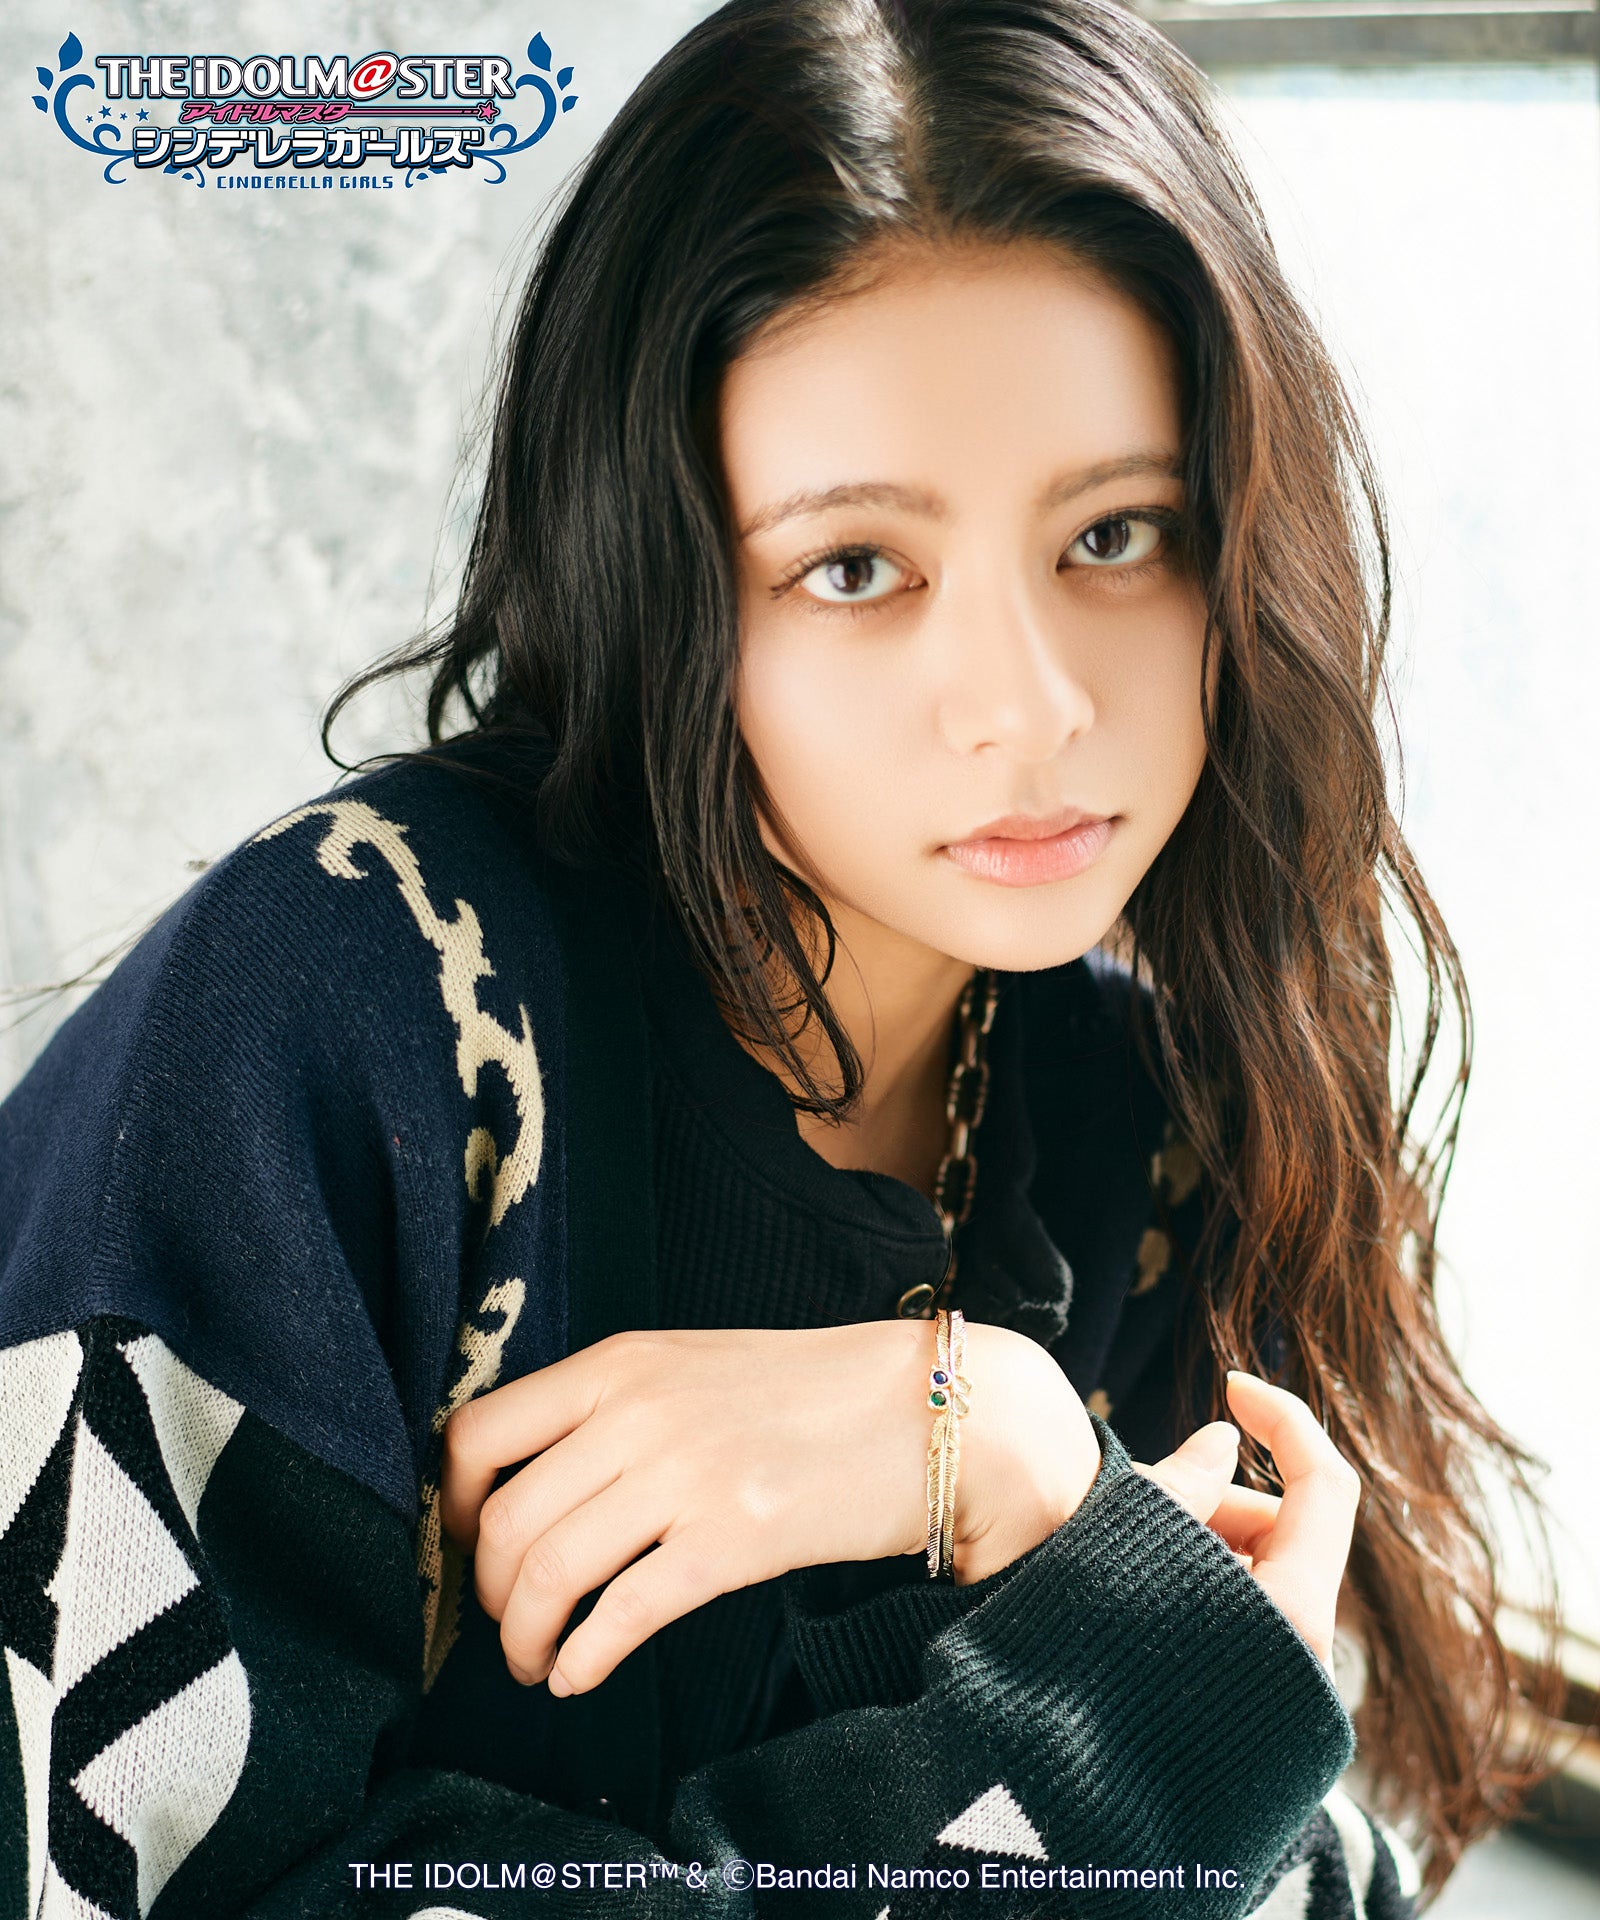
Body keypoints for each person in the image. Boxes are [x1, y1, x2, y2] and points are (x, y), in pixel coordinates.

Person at [0, 2, 1560, 1915]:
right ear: (660, 579)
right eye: (856, 568)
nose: (1030, 705)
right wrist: (1126, 1673)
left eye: (1117, 533)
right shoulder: (341, 1012)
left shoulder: (1141, 1126)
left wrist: (1023, 1464)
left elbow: (1290, 1867)